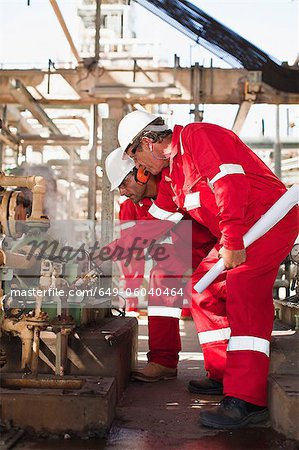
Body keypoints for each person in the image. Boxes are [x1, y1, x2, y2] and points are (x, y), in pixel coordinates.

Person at [115, 110, 298, 429]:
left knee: (244, 292)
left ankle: (247, 400)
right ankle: (225, 372)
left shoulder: (199, 137)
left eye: (136, 158)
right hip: (241, 231)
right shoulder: (172, 177)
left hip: (267, 221)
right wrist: (104, 248)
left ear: (147, 142)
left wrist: (231, 237)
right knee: (203, 290)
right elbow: (156, 223)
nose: (139, 168)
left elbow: (230, 184)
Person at [105, 147, 215, 382]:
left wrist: (102, 254)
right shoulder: (144, 201)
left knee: (210, 300)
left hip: (218, 243)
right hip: (190, 246)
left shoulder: (171, 183)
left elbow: (146, 232)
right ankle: (163, 361)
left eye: (123, 185)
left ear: (142, 173)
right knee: (162, 276)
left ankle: (223, 370)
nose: (123, 193)